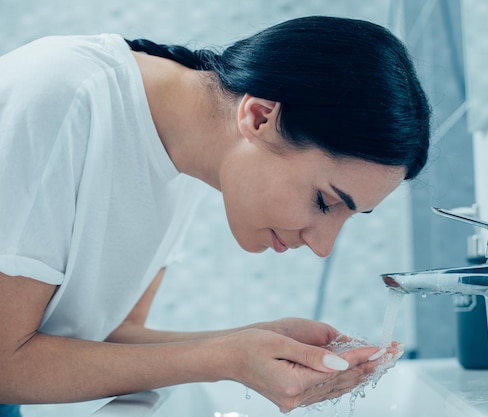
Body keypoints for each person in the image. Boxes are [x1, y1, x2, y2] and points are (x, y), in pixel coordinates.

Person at [0, 15, 430, 416]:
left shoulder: (188, 158)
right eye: (324, 201)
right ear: (260, 116)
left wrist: (253, 344)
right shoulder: (65, 96)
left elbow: (113, 334)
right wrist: (223, 358)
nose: (322, 246)